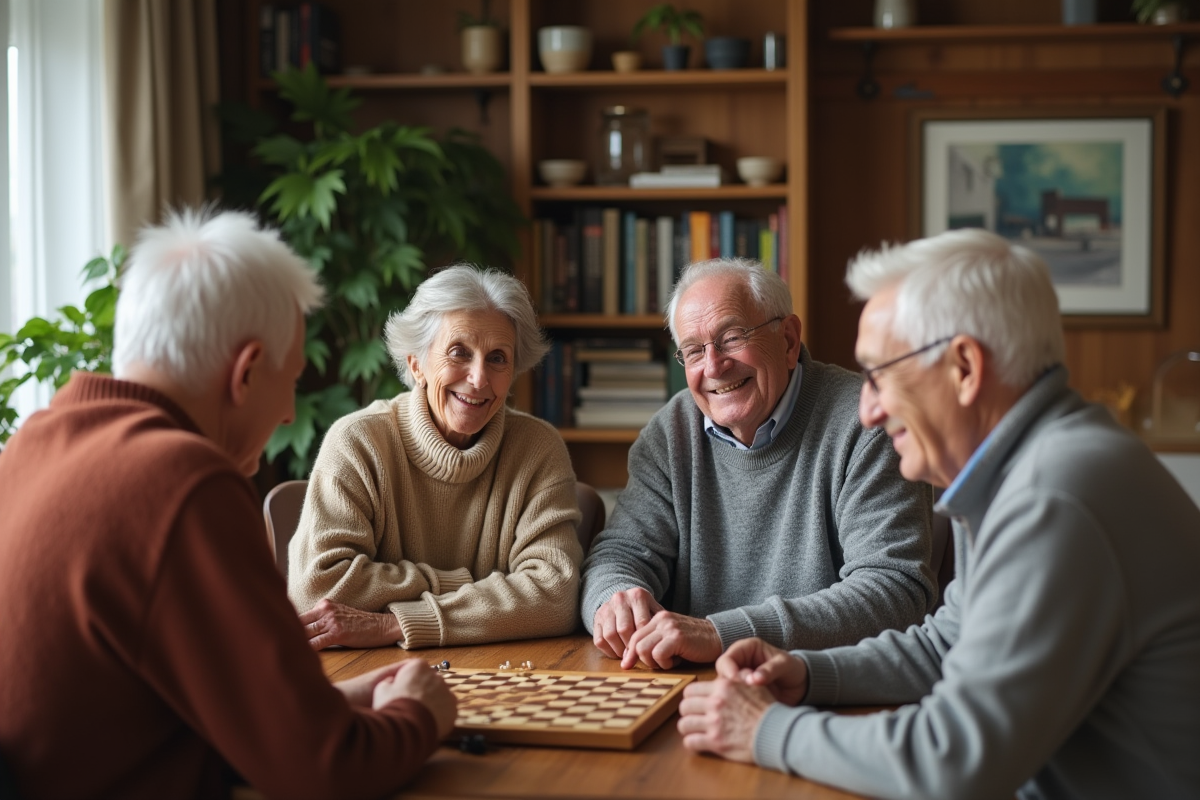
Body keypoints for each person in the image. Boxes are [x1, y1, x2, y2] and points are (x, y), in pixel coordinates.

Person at [677, 229, 1200, 799]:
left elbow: (952, 761)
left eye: (880, 374)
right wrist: (805, 673)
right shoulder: (1027, 468)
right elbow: (944, 644)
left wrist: (763, 728)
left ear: (965, 368)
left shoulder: (1053, 496)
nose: (869, 410)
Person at [0, 209, 458, 800]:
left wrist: (328, 705)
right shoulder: (181, 482)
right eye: (291, 378)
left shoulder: (29, 445)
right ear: (244, 373)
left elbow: (141, 717)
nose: (291, 414)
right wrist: (417, 716)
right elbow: (326, 770)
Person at [580, 257, 936, 670]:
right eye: (694, 351)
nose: (713, 366)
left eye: (732, 337)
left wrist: (721, 634)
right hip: (684, 684)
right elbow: (620, 552)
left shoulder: (868, 423)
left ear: (787, 340)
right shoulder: (670, 433)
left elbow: (894, 592)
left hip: (821, 692)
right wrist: (615, 599)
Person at [288, 264, 583, 651]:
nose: (479, 378)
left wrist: (395, 624)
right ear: (416, 363)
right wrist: (459, 584)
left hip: (502, 673)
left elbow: (554, 595)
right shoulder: (358, 442)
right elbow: (318, 590)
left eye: (497, 358)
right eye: (459, 352)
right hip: (371, 675)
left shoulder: (538, 449)